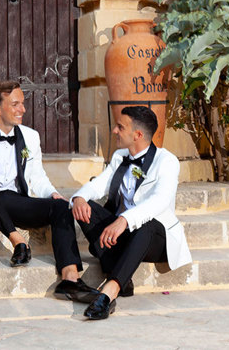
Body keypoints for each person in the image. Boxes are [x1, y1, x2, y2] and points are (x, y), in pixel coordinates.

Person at [0, 81, 99, 301]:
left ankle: (70, 279)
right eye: (15, 104)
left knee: (61, 206)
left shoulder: (30, 137)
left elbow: (37, 177)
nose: (22, 109)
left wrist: (52, 194)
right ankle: (18, 241)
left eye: (22, 104)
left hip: (14, 201)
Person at [52, 105, 192, 320]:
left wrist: (124, 220)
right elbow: (99, 185)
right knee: (81, 207)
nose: (114, 131)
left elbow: (160, 201)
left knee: (146, 224)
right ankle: (118, 280)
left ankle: (111, 290)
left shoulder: (167, 161)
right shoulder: (120, 157)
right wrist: (80, 198)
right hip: (123, 235)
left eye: (120, 127)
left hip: (155, 239)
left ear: (137, 134)